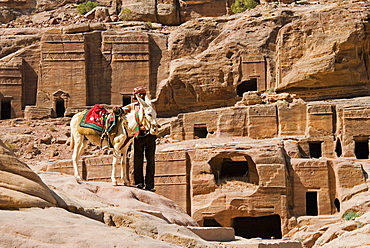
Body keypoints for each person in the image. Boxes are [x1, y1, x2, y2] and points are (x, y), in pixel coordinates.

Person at [122, 86, 157, 192]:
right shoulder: (132, 106)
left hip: (150, 135)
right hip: (139, 135)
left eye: (142, 94)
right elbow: (122, 112)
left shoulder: (151, 105)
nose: (140, 96)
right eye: (138, 94)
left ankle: (150, 185)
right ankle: (139, 183)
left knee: (150, 160)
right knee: (138, 160)